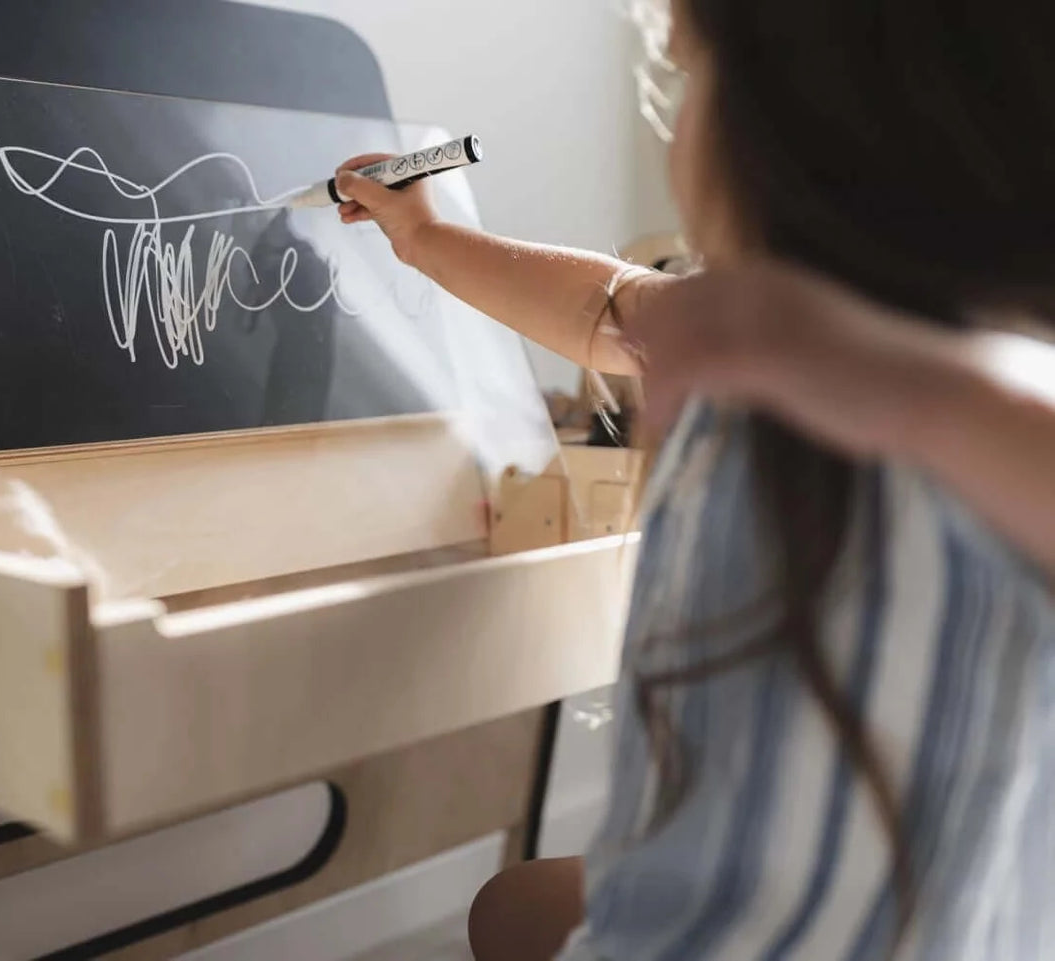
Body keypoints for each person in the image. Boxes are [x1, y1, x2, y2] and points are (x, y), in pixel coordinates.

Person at [333, 0, 1055, 958]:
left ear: (806, 118)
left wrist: (896, 386)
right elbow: (607, 308)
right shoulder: (760, 345)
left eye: (684, 73)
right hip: (719, 902)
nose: (675, 123)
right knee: (511, 907)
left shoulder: (968, 417)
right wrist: (424, 236)